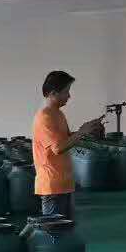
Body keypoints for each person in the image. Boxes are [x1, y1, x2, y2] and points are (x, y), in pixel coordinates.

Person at [32, 71, 105, 219]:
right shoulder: (45, 117)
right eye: (66, 91)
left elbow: (65, 138)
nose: (69, 96)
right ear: (53, 93)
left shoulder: (58, 113)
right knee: (55, 230)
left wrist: (87, 130)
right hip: (52, 186)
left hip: (64, 183)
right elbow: (58, 148)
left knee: (66, 228)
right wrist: (82, 132)